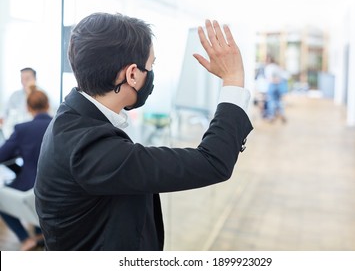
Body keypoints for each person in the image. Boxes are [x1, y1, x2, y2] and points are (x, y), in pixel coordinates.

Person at [34, 13, 253, 251]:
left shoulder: (70, 116)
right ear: (132, 74)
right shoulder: (90, 148)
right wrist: (233, 80)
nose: (152, 73)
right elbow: (213, 162)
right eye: (151, 66)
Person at [0, 86, 52, 251]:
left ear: (28, 107)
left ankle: (25, 238)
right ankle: (40, 233)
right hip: (55, 185)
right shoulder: (59, 124)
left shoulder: (22, 129)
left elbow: (2, 155)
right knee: (37, 200)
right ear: (48, 105)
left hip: (30, 184)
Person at [0, 68, 37, 137]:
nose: (24, 81)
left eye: (27, 78)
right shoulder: (14, 96)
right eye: (22, 78)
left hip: (34, 134)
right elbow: (4, 115)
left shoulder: (41, 96)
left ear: (35, 79)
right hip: (16, 135)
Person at [264, 55, 286, 123]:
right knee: (278, 100)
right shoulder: (277, 67)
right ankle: (282, 113)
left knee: (271, 101)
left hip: (272, 85)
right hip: (279, 85)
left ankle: (272, 116)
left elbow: (268, 77)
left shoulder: (268, 67)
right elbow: (282, 76)